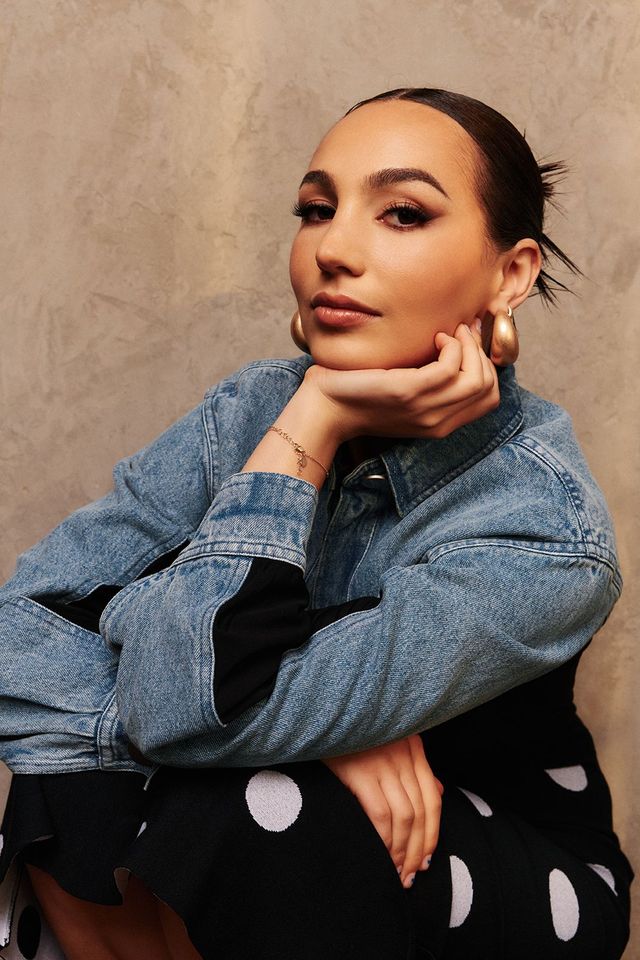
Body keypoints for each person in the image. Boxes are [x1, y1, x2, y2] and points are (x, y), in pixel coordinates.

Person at [0, 87, 633, 960]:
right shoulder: (254, 409)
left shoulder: (545, 527)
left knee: (245, 799)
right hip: (290, 835)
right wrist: (313, 419)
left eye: (402, 214)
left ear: (511, 274)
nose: (333, 249)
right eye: (316, 210)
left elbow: (180, 712)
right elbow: (17, 631)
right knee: (69, 790)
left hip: (496, 873)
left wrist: (258, 717)